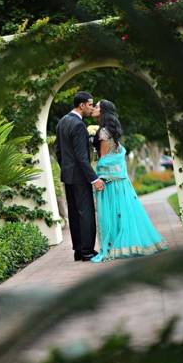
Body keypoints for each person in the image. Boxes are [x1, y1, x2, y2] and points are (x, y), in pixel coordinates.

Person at [90, 99, 169, 263]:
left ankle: (114, 246)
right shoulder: (111, 130)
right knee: (121, 210)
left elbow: (104, 159)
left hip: (110, 180)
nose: (94, 108)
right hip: (119, 178)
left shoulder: (103, 132)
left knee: (111, 212)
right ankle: (127, 244)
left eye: (96, 106)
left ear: (103, 111)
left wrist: (98, 175)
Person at [56, 91, 104, 262]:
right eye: (90, 105)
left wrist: (67, 169)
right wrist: (94, 178)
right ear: (82, 105)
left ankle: (78, 251)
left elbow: (59, 152)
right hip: (80, 176)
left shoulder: (62, 122)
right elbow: (81, 157)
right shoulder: (78, 125)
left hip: (68, 176)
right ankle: (87, 252)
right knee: (86, 213)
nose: (92, 108)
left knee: (75, 213)